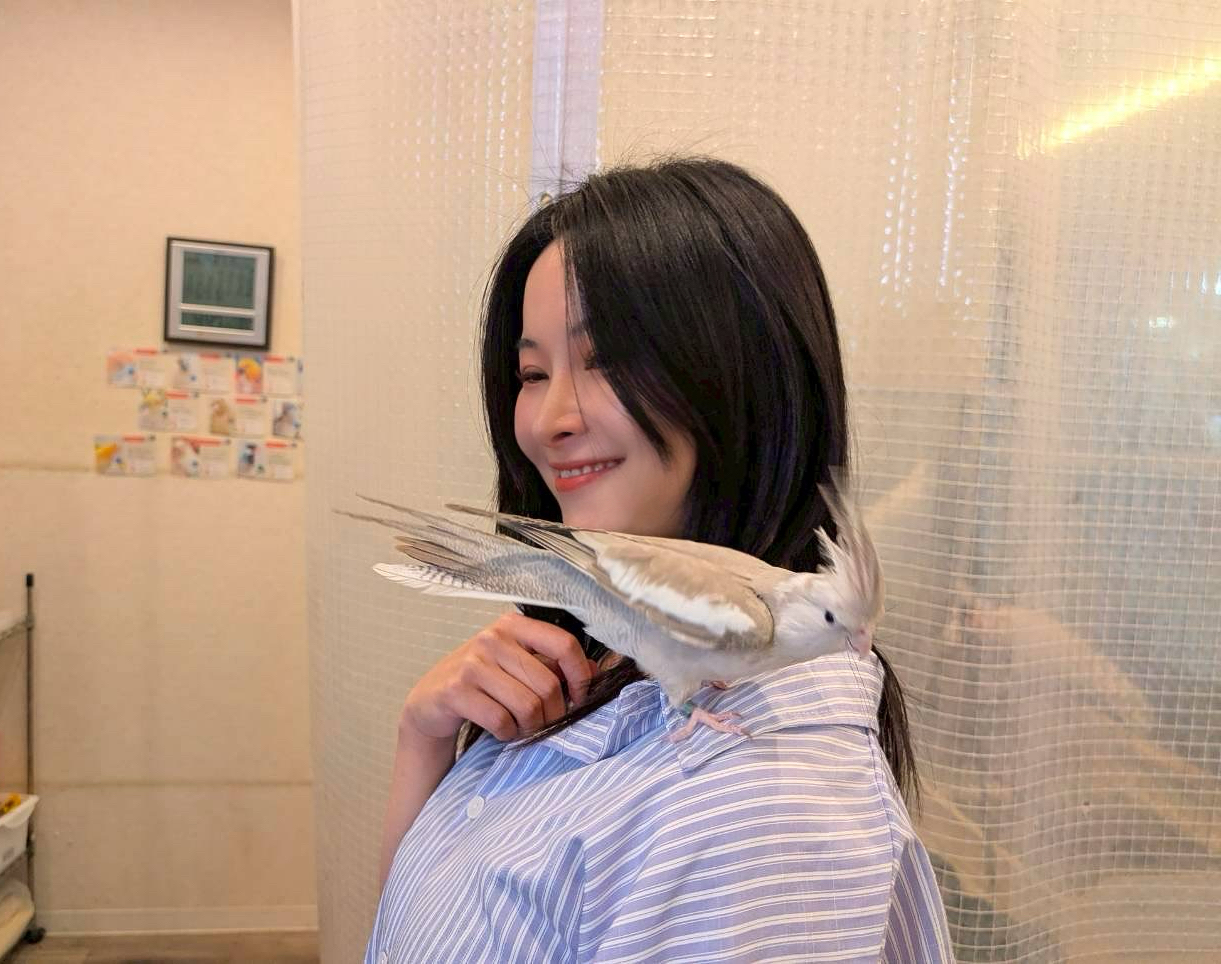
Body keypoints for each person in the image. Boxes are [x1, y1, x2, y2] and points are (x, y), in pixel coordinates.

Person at [367, 157, 953, 962]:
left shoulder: (757, 797)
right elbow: (412, 931)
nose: (549, 419)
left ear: (740, 378)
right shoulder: (609, 666)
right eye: (532, 372)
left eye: (606, 361)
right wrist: (424, 737)